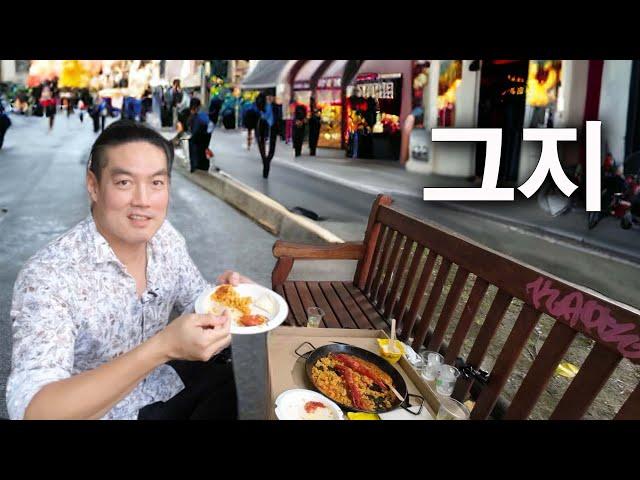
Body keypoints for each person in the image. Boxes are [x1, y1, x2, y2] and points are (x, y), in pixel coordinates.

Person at [6, 120, 248, 420]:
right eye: (124, 183)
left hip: (165, 386)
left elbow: (194, 300)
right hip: (102, 413)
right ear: (94, 186)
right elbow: (34, 411)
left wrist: (229, 299)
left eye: (156, 183)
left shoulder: (165, 238)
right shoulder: (47, 277)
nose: (143, 201)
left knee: (231, 380)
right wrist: (162, 347)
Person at [187, 97, 212, 173]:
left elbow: (194, 133)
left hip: (196, 150)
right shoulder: (204, 116)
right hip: (203, 147)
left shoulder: (195, 117)